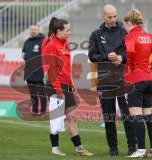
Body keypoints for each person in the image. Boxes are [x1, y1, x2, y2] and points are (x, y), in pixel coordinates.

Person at [88, 4, 136, 157]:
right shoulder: (95, 34)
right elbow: (91, 55)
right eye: (110, 17)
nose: (114, 19)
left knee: (127, 115)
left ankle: (132, 147)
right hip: (105, 80)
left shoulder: (124, 32)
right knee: (109, 117)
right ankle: (113, 148)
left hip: (123, 79)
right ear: (104, 17)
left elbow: (131, 52)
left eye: (115, 16)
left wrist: (122, 58)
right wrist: (106, 57)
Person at [42, 17, 93, 156]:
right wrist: (59, 90)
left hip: (66, 85)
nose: (70, 32)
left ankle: (79, 148)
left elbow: (66, 68)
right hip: (55, 86)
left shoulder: (66, 44)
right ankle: (55, 147)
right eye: (67, 30)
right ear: (59, 30)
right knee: (56, 118)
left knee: (71, 117)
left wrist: (71, 84)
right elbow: (52, 71)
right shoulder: (51, 45)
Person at [123, 9, 152, 158]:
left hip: (135, 79)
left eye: (125, 24)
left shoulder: (131, 36)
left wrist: (128, 67)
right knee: (148, 115)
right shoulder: (148, 36)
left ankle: (141, 150)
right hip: (148, 80)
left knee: (136, 115)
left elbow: (129, 52)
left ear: (129, 23)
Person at [22, 24, 47, 114]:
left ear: (39, 30)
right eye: (32, 29)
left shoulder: (44, 41)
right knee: (33, 94)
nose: (33, 31)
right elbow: (25, 54)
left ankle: (43, 111)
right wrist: (24, 56)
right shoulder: (27, 42)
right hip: (30, 72)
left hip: (40, 72)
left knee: (42, 94)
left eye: (35, 29)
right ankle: (35, 111)